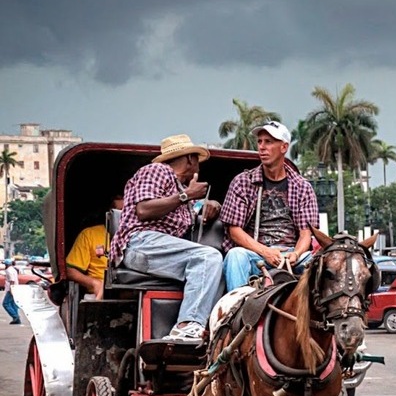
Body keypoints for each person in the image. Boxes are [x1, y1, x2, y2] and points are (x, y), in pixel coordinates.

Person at [108, 134, 223, 342]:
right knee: (208, 258)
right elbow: (143, 209)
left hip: (160, 250)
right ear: (189, 159)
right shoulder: (158, 171)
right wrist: (187, 195)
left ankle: (213, 328)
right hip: (140, 243)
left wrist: (209, 206)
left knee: (218, 269)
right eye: (196, 159)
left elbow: (181, 213)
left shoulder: (180, 190)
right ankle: (188, 324)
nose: (198, 165)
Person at [219, 121, 318, 291]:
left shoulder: (303, 187)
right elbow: (234, 231)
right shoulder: (243, 182)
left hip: (291, 255)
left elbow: (306, 234)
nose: (262, 147)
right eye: (260, 142)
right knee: (235, 256)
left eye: (269, 142)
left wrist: (296, 254)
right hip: (255, 254)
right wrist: (266, 252)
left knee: (320, 263)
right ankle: (236, 311)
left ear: (283, 147)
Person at [65, 192, 124, 300]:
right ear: (110, 215)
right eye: (120, 212)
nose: (125, 217)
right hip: (99, 294)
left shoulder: (141, 236)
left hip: (132, 291)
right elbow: (70, 270)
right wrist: (94, 283)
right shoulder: (89, 235)